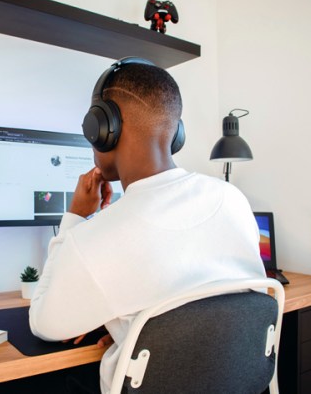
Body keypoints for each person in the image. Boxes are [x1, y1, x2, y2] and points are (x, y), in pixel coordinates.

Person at [28, 59, 266, 394]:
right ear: (175, 132)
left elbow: (44, 323)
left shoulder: (96, 237)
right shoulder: (233, 200)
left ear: (103, 127)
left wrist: (75, 219)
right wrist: (131, 322)